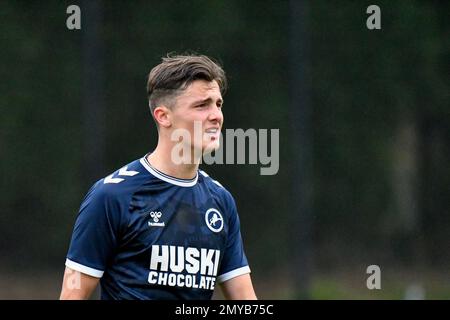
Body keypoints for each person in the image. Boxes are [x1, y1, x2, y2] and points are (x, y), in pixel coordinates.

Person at [59, 54, 257, 300]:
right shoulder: (111, 196)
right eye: (201, 105)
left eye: (218, 104)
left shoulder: (221, 200)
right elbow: (72, 296)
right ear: (163, 116)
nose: (216, 115)